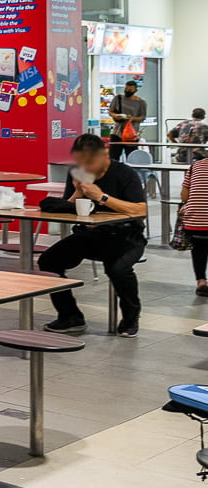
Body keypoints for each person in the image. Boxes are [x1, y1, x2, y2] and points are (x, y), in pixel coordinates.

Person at [39, 134, 149, 336]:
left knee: (118, 269)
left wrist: (102, 197)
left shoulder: (125, 173)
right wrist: (78, 193)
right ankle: (70, 316)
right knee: (49, 262)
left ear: (104, 154)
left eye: (90, 162)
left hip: (126, 236)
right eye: (80, 163)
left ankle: (131, 316)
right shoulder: (78, 173)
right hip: (90, 235)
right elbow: (68, 207)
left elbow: (140, 211)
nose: (85, 167)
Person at [181, 154, 208, 297]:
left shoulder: (195, 165)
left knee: (199, 248)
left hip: (193, 223)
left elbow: (184, 196)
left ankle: (201, 282)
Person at [108, 80, 147, 161]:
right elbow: (111, 111)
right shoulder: (118, 98)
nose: (127, 91)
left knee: (131, 157)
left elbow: (142, 117)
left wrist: (132, 118)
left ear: (135, 90)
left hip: (131, 134)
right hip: (117, 131)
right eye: (126, 89)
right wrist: (116, 115)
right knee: (113, 157)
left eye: (130, 90)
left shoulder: (141, 102)